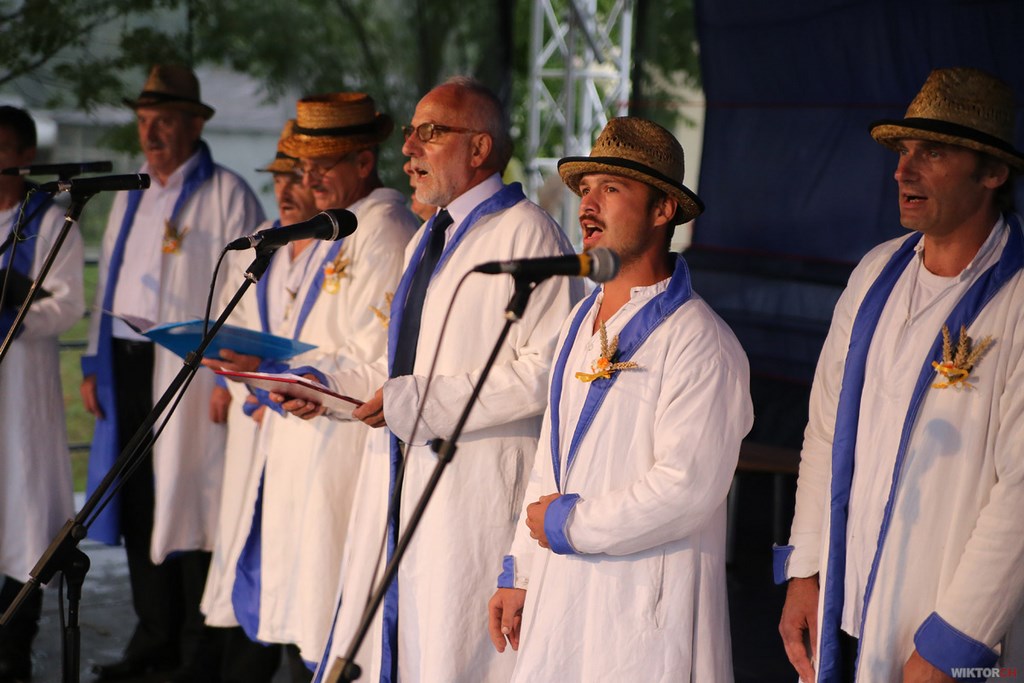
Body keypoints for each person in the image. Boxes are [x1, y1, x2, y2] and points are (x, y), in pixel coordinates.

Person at [280, 77, 582, 683]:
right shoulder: (428, 235)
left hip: (471, 492)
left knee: (454, 653)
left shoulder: (528, 233)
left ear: (479, 148)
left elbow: (545, 373)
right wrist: (326, 388)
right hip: (405, 482)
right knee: (403, 646)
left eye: (431, 132)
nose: (408, 148)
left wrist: (419, 402)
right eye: (411, 133)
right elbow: (404, 369)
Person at [776, 67, 1024, 683]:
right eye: (903, 151)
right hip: (844, 607)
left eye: (932, 153)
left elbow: (1020, 493)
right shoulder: (875, 272)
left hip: (943, 633)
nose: (902, 171)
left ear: (993, 172)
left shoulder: (1017, 299)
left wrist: (954, 643)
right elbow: (825, 430)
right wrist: (805, 571)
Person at [486, 116, 753, 681]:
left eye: (611, 188)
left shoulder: (700, 340)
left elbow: (686, 488)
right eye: (585, 189)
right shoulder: (580, 318)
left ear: (663, 210)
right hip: (561, 592)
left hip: (641, 611)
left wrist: (571, 524)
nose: (587, 205)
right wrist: (521, 570)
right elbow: (550, 459)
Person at [205, 93, 418, 679]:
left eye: (323, 165)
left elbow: (375, 358)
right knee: (303, 595)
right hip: (305, 426)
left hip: (346, 436)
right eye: (302, 167)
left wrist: (289, 373)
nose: (309, 179)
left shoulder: (383, 228)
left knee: (332, 599)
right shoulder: (336, 228)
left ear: (364, 161)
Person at [80, 63, 265, 682]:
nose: (150, 133)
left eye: (163, 120)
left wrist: (227, 379)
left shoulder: (227, 194)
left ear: (193, 125)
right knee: (138, 500)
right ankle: (152, 638)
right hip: (127, 363)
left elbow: (244, 293)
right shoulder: (132, 191)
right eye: (143, 121)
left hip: (193, 373)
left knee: (190, 498)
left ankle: (195, 648)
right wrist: (93, 364)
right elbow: (108, 282)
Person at [198, 119, 321, 682]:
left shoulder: (333, 246)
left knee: (299, 556)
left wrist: (270, 373)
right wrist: (240, 376)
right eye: (279, 179)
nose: (286, 190)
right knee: (251, 547)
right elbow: (234, 324)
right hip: (258, 417)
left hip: (305, 415)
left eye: (297, 177)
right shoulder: (261, 243)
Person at [0, 106, 85, 683]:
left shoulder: (52, 221)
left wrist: (15, 317)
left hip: (21, 386)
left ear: (26, 156)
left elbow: (69, 302)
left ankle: (14, 645)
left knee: (21, 507)